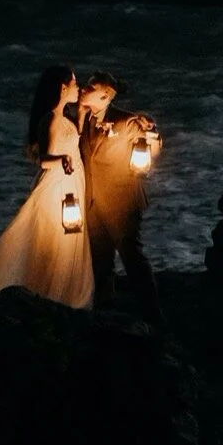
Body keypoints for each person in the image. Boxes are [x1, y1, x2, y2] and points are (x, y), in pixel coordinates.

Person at [0, 65, 94, 308]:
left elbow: (71, 140)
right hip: (57, 189)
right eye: (75, 83)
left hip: (71, 184)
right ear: (63, 87)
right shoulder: (50, 119)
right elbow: (45, 160)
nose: (78, 89)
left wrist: (80, 116)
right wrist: (61, 160)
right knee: (52, 241)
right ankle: (47, 293)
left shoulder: (63, 118)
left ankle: (60, 294)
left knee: (66, 242)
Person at [74, 71, 161, 321]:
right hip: (92, 201)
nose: (82, 89)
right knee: (100, 259)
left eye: (89, 88)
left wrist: (153, 134)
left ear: (104, 96)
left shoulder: (128, 121)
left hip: (122, 200)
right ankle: (105, 306)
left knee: (131, 255)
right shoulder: (82, 118)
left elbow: (152, 145)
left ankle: (152, 312)